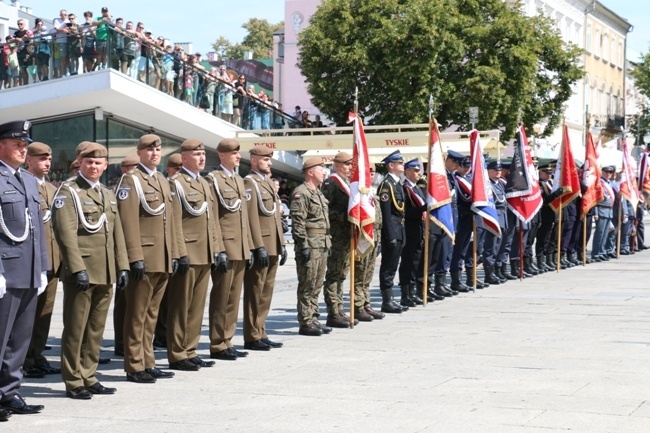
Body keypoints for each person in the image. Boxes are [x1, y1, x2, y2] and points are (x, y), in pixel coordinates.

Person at [53, 142, 129, 400]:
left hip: (105, 270)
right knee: (76, 329)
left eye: (98, 163)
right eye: (89, 162)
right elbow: (65, 234)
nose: (94, 166)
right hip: (82, 270)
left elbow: (116, 232)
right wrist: (76, 268)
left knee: (96, 328)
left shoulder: (107, 193)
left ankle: (89, 374)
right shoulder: (69, 191)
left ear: (106, 165)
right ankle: (74, 380)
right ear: (80, 163)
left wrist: (122, 265)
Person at [116, 134, 178, 383]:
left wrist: (173, 252)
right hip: (143, 256)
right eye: (149, 150)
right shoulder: (131, 180)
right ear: (139, 153)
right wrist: (134, 257)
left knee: (152, 314)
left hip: (161, 256)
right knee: (137, 313)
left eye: (158, 150)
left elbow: (169, 221)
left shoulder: (161, 180)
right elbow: (127, 221)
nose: (154, 153)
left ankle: (147, 361)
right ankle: (134, 365)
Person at [0, 120, 48, 420]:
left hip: (28, 270)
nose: (23, 148)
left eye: (25, 144)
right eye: (17, 143)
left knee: (20, 339)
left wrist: (42, 267)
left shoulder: (30, 181)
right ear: (1, 145)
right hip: (5, 270)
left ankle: (9, 392)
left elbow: (38, 230)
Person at [166, 139, 221, 371]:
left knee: (197, 305)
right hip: (188, 251)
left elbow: (213, 220)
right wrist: (179, 252)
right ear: (185, 157)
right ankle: (178, 353)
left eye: (203, 154)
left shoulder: (205, 184)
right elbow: (174, 221)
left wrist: (217, 249)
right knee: (181, 305)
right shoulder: (176, 183)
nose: (201, 158)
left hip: (205, 252)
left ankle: (191, 349)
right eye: (196, 154)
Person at [205, 139, 253, 360]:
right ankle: (217, 343)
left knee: (234, 298)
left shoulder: (239, 180)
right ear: (221, 155)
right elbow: (213, 217)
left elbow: (244, 218)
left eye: (237, 153)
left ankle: (227, 340)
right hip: (226, 244)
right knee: (222, 297)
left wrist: (250, 247)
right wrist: (218, 247)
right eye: (232, 153)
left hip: (240, 245)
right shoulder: (214, 180)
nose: (237, 156)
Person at [22, 142, 61, 379]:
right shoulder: (23, 184)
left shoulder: (51, 188)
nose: (47, 162)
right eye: (41, 158)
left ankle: (37, 355)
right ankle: (25, 359)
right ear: (29, 160)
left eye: (49, 158)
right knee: (28, 315)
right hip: (33, 261)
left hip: (52, 261)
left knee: (45, 314)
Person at [242, 146, 287, 350]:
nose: (269, 163)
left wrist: (282, 244)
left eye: (270, 160)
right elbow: (251, 217)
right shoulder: (250, 182)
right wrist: (257, 245)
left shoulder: (267, 182)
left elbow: (274, 216)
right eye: (265, 159)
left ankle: (261, 331)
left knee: (266, 292)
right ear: (253, 160)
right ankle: (252, 335)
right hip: (262, 244)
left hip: (273, 244)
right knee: (255, 291)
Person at [291, 157, 332, 336]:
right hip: (310, 244)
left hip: (322, 243)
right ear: (310, 172)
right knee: (307, 282)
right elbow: (298, 222)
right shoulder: (302, 192)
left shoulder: (319, 193)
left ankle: (313, 318)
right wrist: (303, 245)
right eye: (320, 169)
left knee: (317, 283)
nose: (323, 172)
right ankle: (305, 321)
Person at [322, 151, 356, 327]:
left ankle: (340, 309)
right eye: (346, 164)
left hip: (345, 235)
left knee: (342, 273)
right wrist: (346, 216)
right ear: (336, 165)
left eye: (351, 164)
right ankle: (333, 312)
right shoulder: (331, 183)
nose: (350, 168)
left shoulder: (347, 183)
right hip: (336, 235)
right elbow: (325, 210)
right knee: (334, 274)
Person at [153, 153, 184, 349]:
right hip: (162, 249)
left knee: (172, 298)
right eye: (177, 168)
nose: (179, 172)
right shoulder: (170, 184)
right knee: (162, 300)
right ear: (169, 169)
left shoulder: (171, 184)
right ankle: (161, 334)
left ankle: (165, 333)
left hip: (176, 248)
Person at [112, 154, 140, 358]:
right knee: (125, 302)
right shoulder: (124, 186)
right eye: (132, 167)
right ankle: (122, 344)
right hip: (124, 253)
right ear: (124, 169)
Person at [377, 150, 409, 313]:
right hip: (392, 231)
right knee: (388, 266)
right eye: (400, 162)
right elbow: (386, 213)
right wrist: (389, 235)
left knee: (393, 265)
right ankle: (387, 300)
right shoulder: (386, 185)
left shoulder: (397, 184)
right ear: (391, 165)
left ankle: (390, 299)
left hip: (399, 229)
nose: (403, 165)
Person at [352, 164, 385, 320]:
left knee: (368, 273)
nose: (371, 174)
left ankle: (366, 303)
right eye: (368, 171)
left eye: (373, 171)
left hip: (374, 235)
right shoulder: (358, 193)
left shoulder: (372, 192)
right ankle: (358, 306)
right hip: (363, 237)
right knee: (360, 272)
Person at [397, 158, 427, 307]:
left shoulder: (417, 189)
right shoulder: (404, 189)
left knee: (417, 262)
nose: (418, 173)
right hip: (409, 230)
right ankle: (405, 294)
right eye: (415, 170)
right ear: (407, 171)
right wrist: (422, 209)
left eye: (419, 170)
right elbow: (405, 212)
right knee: (408, 263)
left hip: (419, 229)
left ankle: (413, 291)